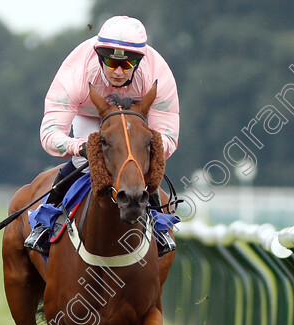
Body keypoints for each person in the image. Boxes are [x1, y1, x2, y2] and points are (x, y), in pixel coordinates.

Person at [25, 15, 180, 255]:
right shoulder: (76, 73)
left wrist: (146, 151)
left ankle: (159, 224)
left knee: (137, 162)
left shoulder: (157, 74)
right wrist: (79, 147)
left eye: (127, 65)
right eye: (110, 62)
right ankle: (45, 220)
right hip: (88, 114)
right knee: (83, 164)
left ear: (140, 61)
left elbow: (167, 137)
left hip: (133, 119)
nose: (118, 72)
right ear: (98, 55)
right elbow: (49, 134)